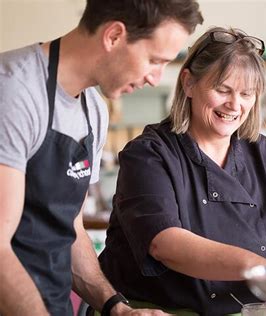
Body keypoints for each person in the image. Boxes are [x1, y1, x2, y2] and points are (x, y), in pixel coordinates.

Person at [0, 1, 203, 315]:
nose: (155, 77)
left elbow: (70, 229)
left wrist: (116, 308)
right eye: (154, 60)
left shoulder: (93, 110)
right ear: (114, 36)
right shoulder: (14, 90)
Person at [98, 26, 266, 315]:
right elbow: (165, 243)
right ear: (188, 83)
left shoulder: (264, 154)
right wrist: (263, 270)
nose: (235, 104)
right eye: (222, 89)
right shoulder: (149, 154)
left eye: (246, 94)